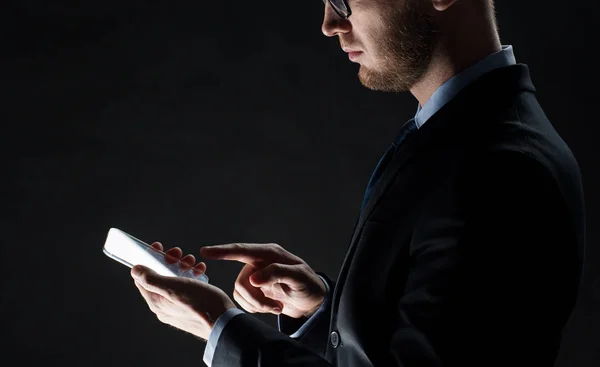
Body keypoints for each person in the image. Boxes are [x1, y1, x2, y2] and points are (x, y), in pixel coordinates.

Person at [130, 0, 586, 365]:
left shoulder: (500, 171)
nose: (329, 23)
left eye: (343, 1)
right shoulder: (456, 137)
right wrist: (321, 315)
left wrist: (220, 329)